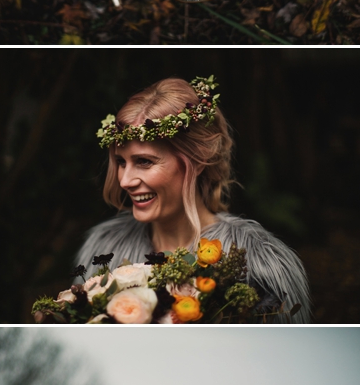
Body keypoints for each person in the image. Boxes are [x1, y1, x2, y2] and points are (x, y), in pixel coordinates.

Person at [76, 76, 310, 324]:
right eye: (122, 162)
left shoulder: (260, 265)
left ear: (197, 161)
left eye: (144, 161)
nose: (125, 181)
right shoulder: (102, 249)